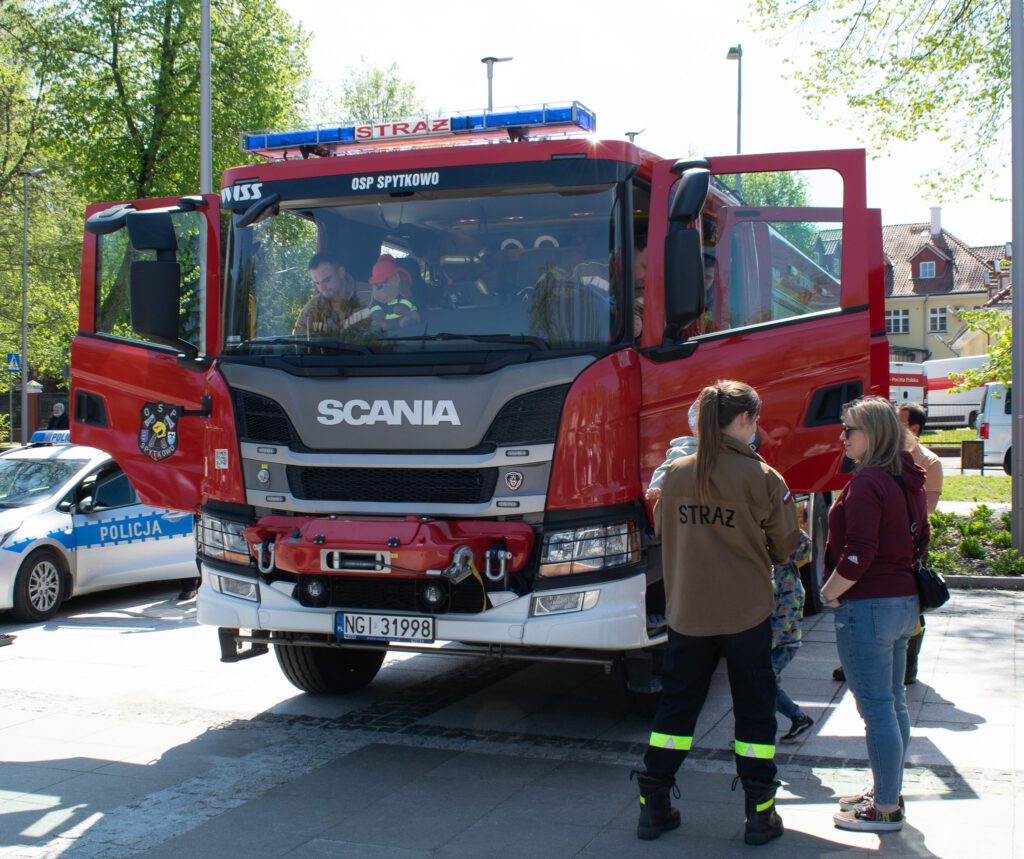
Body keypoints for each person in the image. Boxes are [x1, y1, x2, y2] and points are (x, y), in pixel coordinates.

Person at [633, 381, 799, 846]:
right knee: (754, 715)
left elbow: (663, 530)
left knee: (676, 710)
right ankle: (760, 814)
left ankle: (654, 805)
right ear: (744, 421)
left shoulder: (675, 476)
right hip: (746, 613)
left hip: (687, 613)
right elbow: (786, 546)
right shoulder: (764, 477)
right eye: (756, 421)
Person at [646, 421, 814, 748]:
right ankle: (759, 775)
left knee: (753, 688)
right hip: (755, 619)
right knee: (755, 689)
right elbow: (786, 545)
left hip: (763, 621)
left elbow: (793, 546)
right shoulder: (762, 481)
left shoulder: (687, 474)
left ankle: (659, 784)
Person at [819, 396, 927, 833]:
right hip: (903, 604)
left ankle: (885, 809)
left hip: (871, 607)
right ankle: (888, 792)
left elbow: (858, 555)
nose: (842, 437)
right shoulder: (906, 479)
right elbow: (920, 541)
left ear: (874, 434)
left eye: (849, 429)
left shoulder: (867, 483)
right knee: (893, 704)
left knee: (878, 709)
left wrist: (828, 593)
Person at [898, 401, 941, 685]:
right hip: (888, 541)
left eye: (899, 422)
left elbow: (929, 507)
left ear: (914, 428)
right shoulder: (886, 455)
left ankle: (908, 666)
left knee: (913, 607)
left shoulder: (929, 462)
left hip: (911, 543)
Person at [772, 533, 815, 743]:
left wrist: (769, 641)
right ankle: (798, 718)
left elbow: (785, 616)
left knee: (764, 686)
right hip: (781, 642)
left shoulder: (787, 578)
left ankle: (762, 731)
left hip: (782, 644)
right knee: (767, 685)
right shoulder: (780, 572)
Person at [292, 252, 369, 336]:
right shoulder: (313, 307)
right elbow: (297, 342)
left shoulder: (371, 295)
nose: (322, 287)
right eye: (317, 283)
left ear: (341, 272)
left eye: (327, 280)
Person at [366, 255, 421, 331]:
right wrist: (376, 312)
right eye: (378, 286)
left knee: (411, 318)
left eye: (386, 282)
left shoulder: (404, 295)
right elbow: (374, 306)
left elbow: (408, 300)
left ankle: (409, 321)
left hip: (405, 319)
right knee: (379, 324)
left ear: (399, 280)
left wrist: (402, 307)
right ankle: (382, 326)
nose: (380, 291)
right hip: (387, 325)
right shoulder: (377, 301)